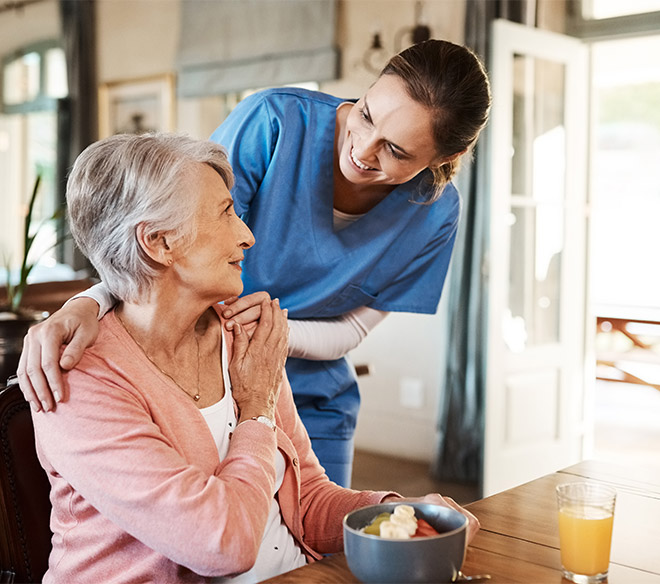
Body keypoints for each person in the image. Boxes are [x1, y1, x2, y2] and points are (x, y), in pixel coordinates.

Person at [18, 39, 491, 487]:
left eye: (395, 150)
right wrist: (89, 302)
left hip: (313, 395)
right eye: (366, 115)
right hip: (201, 377)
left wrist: (270, 339)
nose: (362, 150)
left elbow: (353, 331)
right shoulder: (275, 122)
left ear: (447, 157)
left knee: (318, 553)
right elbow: (164, 235)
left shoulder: (435, 214)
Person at [30, 133, 479, 583]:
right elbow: (223, 544)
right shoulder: (77, 377)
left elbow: (307, 501)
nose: (247, 236)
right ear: (159, 243)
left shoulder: (241, 338)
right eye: (226, 213)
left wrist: (396, 514)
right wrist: (257, 411)